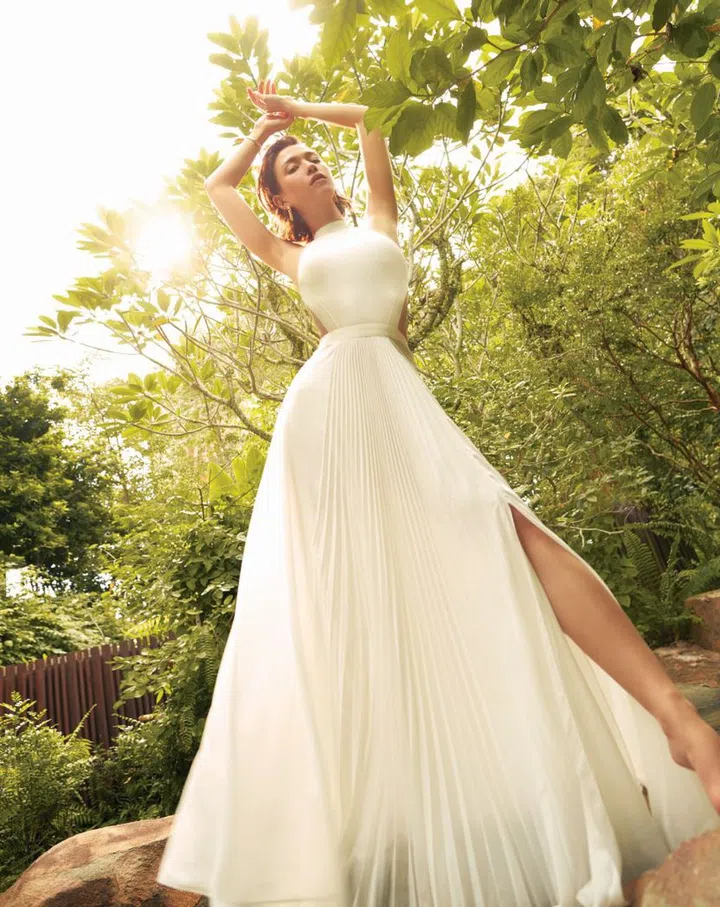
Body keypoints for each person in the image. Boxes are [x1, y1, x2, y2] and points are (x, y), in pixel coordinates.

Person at [156, 78, 720, 907]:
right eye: (293, 167)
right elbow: (217, 189)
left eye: (311, 157)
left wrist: (302, 115)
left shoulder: (378, 224)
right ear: (283, 201)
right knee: (358, 605)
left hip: (399, 404)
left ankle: (678, 723)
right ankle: (383, 815)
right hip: (326, 425)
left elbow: (374, 120)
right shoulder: (291, 256)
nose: (309, 161)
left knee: (511, 531)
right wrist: (261, 134)